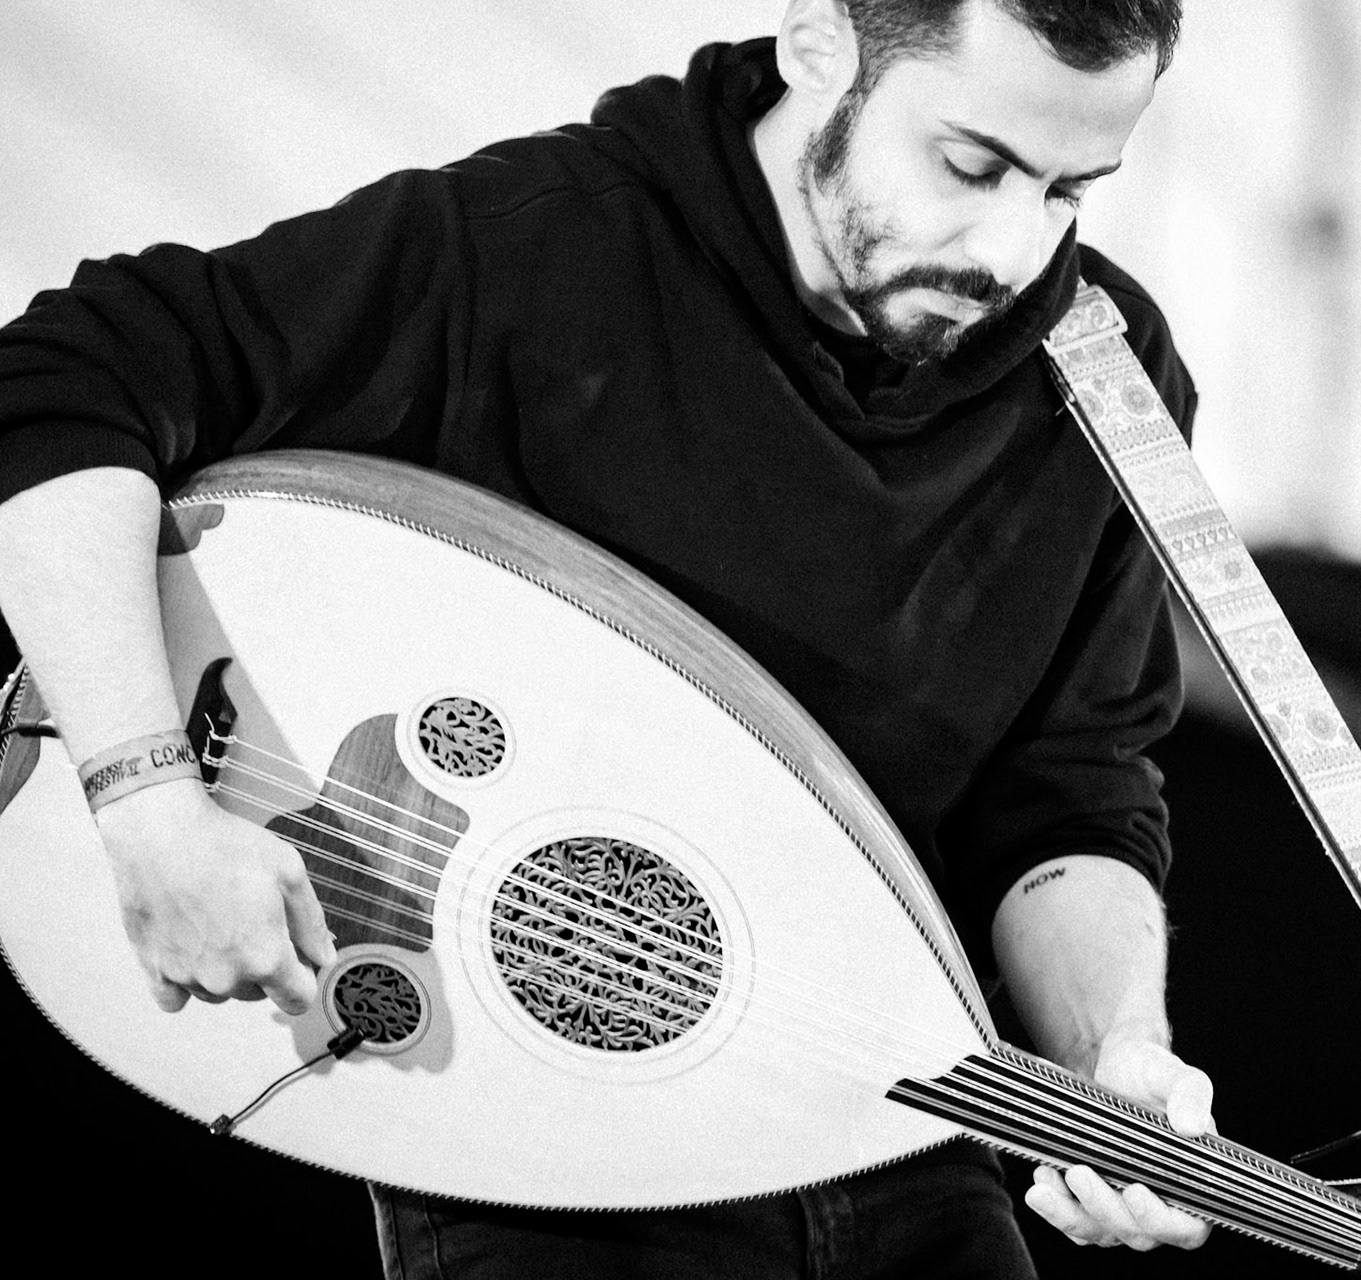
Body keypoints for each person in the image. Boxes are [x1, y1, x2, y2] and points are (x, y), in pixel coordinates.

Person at [0, 1, 1215, 1274]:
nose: (1013, 251)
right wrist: (147, 800)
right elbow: (59, 384)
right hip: (543, 1154)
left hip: (888, 1126)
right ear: (821, 44)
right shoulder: (533, 248)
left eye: (1070, 189)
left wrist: (1113, 1055)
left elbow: (1066, 797)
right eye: (970, 164)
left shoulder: (1110, 380)